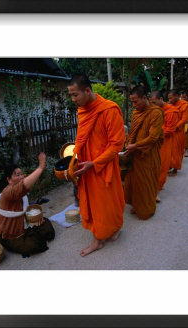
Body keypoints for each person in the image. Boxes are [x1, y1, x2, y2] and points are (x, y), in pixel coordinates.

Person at [67, 74, 125, 257]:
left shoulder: (109, 110)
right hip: (86, 165)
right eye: (71, 95)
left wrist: (95, 163)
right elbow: (83, 138)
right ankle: (100, 236)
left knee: (108, 202)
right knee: (93, 203)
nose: (73, 99)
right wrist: (74, 160)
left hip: (102, 165)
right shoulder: (83, 110)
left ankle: (105, 234)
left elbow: (116, 144)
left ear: (87, 90)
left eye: (75, 95)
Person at [0, 153, 55, 257]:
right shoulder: (7, 193)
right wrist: (40, 168)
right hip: (11, 235)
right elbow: (23, 186)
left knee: (48, 229)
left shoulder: (21, 194)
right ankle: (30, 238)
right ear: (9, 180)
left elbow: (26, 209)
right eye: (17, 175)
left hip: (24, 225)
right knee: (37, 245)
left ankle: (32, 235)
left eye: (21, 174)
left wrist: (35, 219)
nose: (21, 177)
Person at [124, 86, 164, 220]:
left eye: (136, 102)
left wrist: (135, 145)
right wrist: (128, 144)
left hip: (148, 154)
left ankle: (147, 208)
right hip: (134, 153)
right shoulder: (136, 112)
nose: (134, 105)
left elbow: (153, 137)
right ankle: (136, 204)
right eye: (132, 102)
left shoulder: (156, 113)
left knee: (146, 182)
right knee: (134, 182)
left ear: (144, 98)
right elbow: (134, 131)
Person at [149, 90, 179, 194]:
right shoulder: (153, 110)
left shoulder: (171, 111)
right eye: (151, 103)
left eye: (154, 102)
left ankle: (158, 187)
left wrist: (156, 132)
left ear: (161, 99)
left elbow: (170, 130)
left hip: (165, 141)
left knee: (162, 165)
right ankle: (151, 185)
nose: (152, 105)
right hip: (152, 141)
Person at [168, 89, 188, 176]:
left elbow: (184, 119)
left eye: (171, 98)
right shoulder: (170, 105)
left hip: (178, 131)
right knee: (169, 150)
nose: (170, 100)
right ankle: (169, 165)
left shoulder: (184, 105)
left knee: (177, 151)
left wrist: (176, 126)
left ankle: (175, 169)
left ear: (177, 96)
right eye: (169, 98)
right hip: (169, 131)